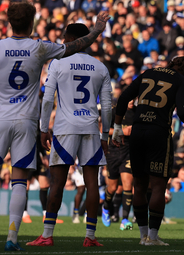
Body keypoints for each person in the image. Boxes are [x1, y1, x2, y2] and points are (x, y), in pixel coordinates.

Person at [1, 2, 108, 251]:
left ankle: (43, 234)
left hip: (3, 117)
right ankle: (12, 238)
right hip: (28, 122)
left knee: (51, 181)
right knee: (20, 181)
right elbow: (75, 46)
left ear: (9, 23)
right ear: (32, 23)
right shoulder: (41, 47)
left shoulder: (0, 47)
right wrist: (97, 30)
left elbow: (50, 95)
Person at [25, 23, 112, 247]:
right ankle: (90, 237)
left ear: (73, 38)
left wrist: (44, 128)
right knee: (93, 184)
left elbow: (47, 99)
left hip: (65, 129)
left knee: (58, 183)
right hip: (91, 128)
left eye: (65, 37)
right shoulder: (100, 67)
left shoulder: (58, 63)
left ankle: (47, 235)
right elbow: (108, 106)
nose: (63, 41)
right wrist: (104, 136)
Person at [112, 56, 184, 246]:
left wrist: (117, 127)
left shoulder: (148, 73)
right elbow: (183, 112)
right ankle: (152, 237)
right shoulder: (181, 80)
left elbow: (124, 97)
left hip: (137, 132)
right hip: (158, 133)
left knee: (140, 185)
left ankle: (143, 236)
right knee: (159, 186)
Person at [102, 99, 135, 230]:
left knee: (128, 185)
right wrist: (122, 131)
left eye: (135, 99)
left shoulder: (138, 113)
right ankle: (105, 208)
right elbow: (102, 129)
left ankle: (125, 220)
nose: (132, 101)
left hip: (129, 153)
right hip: (113, 152)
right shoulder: (114, 111)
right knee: (113, 187)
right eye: (130, 99)